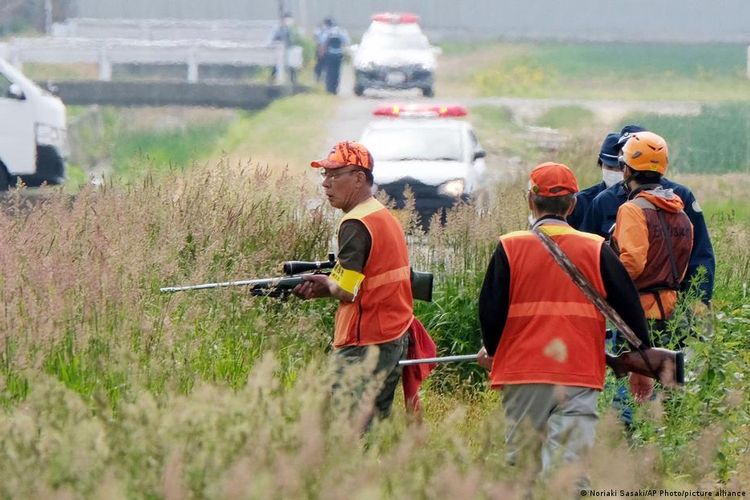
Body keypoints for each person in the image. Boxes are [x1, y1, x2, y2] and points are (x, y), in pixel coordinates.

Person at [477, 162, 652, 482]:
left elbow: (490, 310)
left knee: (523, 466)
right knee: (570, 470)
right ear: (572, 204)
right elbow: (631, 310)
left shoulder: (509, 246)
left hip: (523, 373)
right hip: (578, 374)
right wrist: (642, 364)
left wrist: (491, 350)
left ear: (531, 200)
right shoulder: (596, 248)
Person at [294, 141, 414, 430]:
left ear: (359, 178)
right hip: (393, 335)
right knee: (374, 428)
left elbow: (347, 289)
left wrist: (326, 284)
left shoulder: (355, 222)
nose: (325, 183)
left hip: (365, 341)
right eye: (324, 175)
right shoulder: (382, 215)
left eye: (335, 175)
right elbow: (368, 278)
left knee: (349, 430)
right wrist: (328, 285)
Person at [580, 125, 714, 305]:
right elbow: (587, 254)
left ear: (625, 167)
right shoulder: (604, 201)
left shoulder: (680, 198)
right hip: (656, 305)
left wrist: (698, 301)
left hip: (646, 306)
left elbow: (700, 254)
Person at [610, 131, 694, 347]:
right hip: (671, 313)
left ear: (626, 169)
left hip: (637, 313)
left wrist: (605, 285)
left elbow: (632, 264)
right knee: (665, 378)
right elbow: (681, 267)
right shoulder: (681, 214)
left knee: (632, 379)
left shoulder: (632, 209)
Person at [567, 132, 623, 230]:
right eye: (609, 167)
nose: (614, 172)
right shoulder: (581, 202)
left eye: (619, 168)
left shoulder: (639, 201)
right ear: (600, 164)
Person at [320, 17, 349, 95]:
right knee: (337, 73)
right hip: (339, 55)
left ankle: (329, 89)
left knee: (329, 72)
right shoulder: (341, 31)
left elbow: (322, 42)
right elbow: (346, 41)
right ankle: (335, 89)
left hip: (329, 55)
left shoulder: (327, 32)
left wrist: (321, 54)